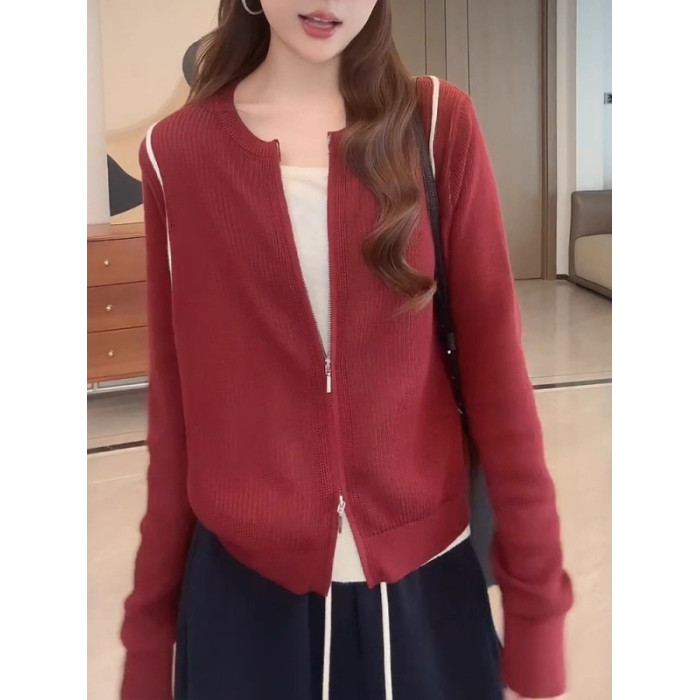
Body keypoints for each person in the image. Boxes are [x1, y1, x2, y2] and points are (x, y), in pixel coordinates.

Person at [119, 1, 573, 699]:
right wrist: (148, 642)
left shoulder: (435, 123)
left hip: (426, 590)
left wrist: (538, 608)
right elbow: (177, 409)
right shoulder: (175, 153)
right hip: (243, 601)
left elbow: (500, 383)